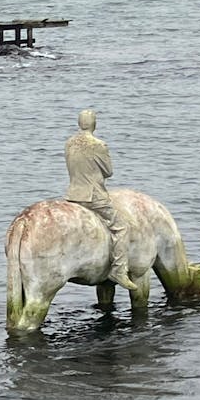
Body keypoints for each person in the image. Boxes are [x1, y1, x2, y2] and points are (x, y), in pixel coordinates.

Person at [64, 109, 137, 291]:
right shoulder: (98, 145)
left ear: (79, 123)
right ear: (94, 124)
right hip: (93, 197)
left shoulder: (69, 143)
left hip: (72, 195)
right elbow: (109, 171)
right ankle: (119, 271)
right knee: (121, 227)